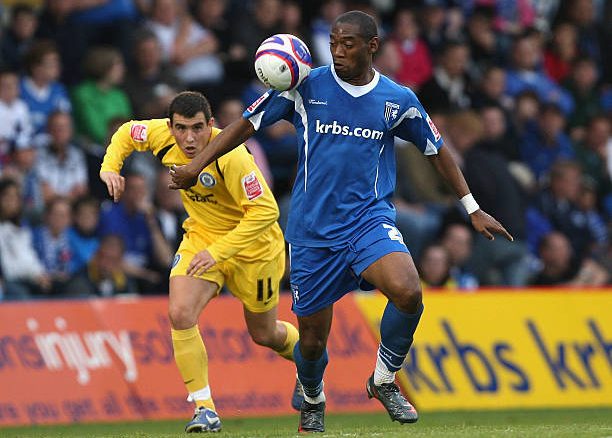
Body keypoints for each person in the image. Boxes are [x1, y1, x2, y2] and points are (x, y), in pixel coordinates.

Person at [169, 11, 513, 433]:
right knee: (312, 339)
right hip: (313, 231)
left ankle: (384, 379)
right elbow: (244, 124)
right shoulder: (304, 86)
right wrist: (195, 165)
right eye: (333, 41)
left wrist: (472, 206)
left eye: (348, 43)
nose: (337, 50)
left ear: (372, 46)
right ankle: (312, 396)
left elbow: (437, 149)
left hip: (368, 221)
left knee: (408, 290)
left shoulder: (397, 99)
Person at [100, 91, 300, 433]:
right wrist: (110, 168)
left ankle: (308, 363)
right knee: (179, 313)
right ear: (170, 126)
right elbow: (124, 133)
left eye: (196, 128)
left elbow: (267, 212)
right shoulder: (161, 135)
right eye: (181, 129)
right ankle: (204, 408)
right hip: (201, 238)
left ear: (210, 125)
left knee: (264, 334)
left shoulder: (231, 154)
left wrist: (220, 251)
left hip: (254, 249)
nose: (189, 138)